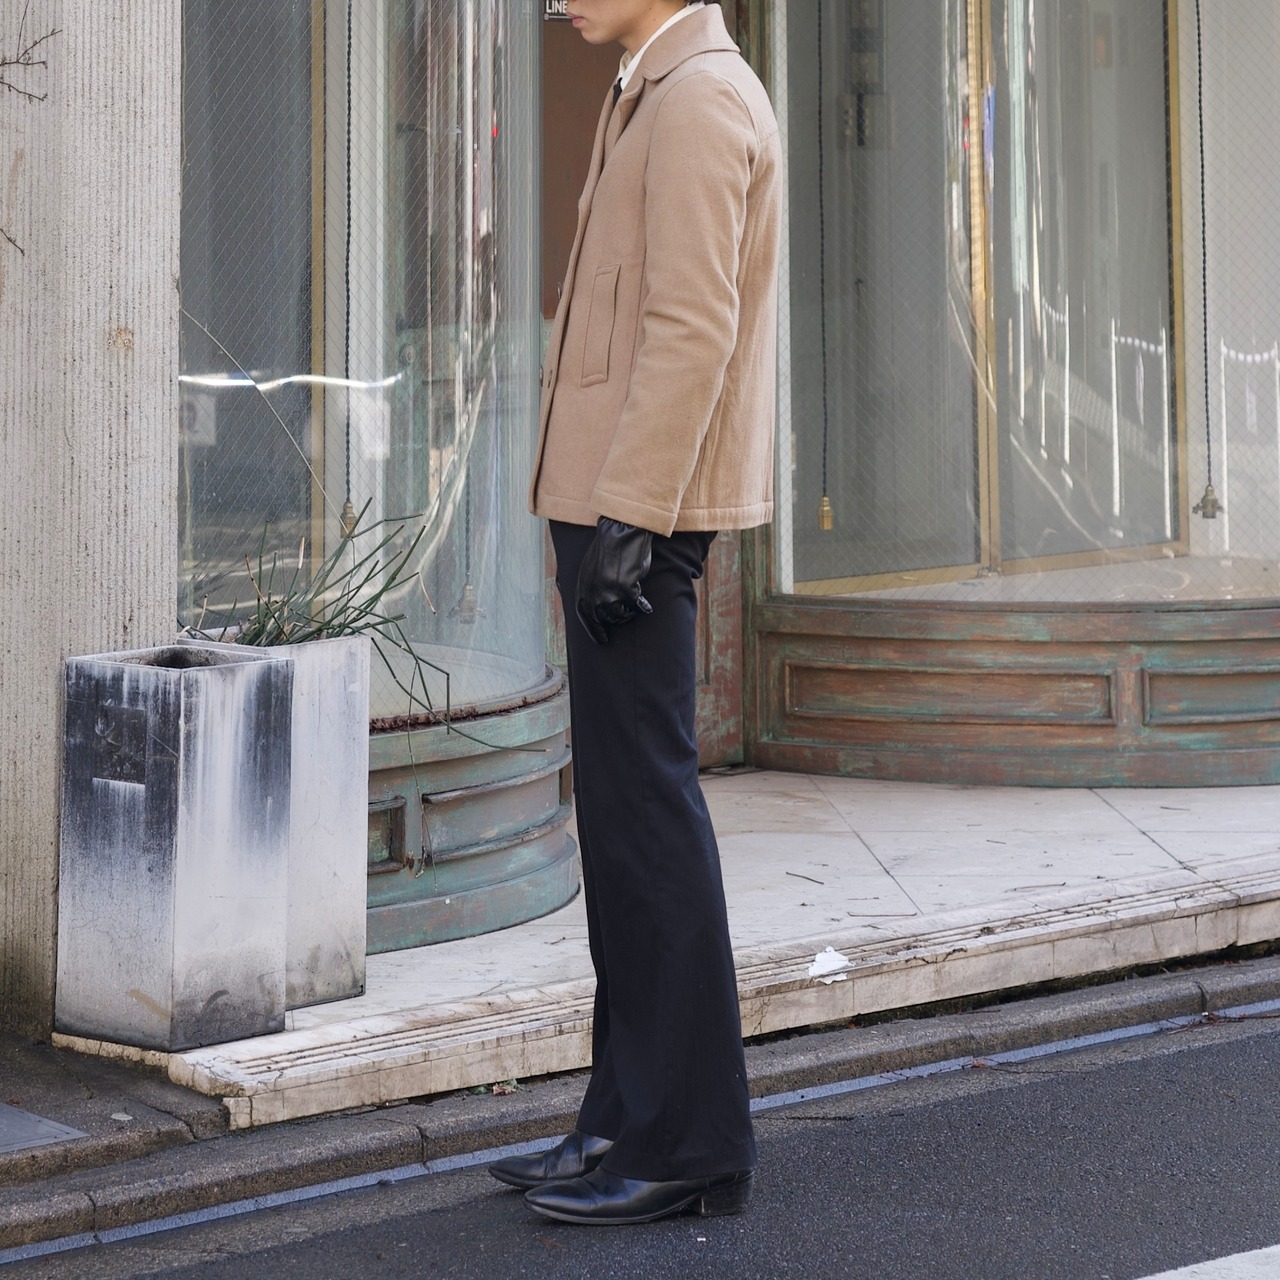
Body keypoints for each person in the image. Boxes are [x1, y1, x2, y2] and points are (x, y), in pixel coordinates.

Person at [488, 0, 780, 1226]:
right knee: (618, 822)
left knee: (647, 815)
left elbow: (691, 325)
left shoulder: (700, 96)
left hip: (634, 512)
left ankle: (689, 1140)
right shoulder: (649, 87)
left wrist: (633, 515)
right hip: (613, 501)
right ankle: (622, 1111)